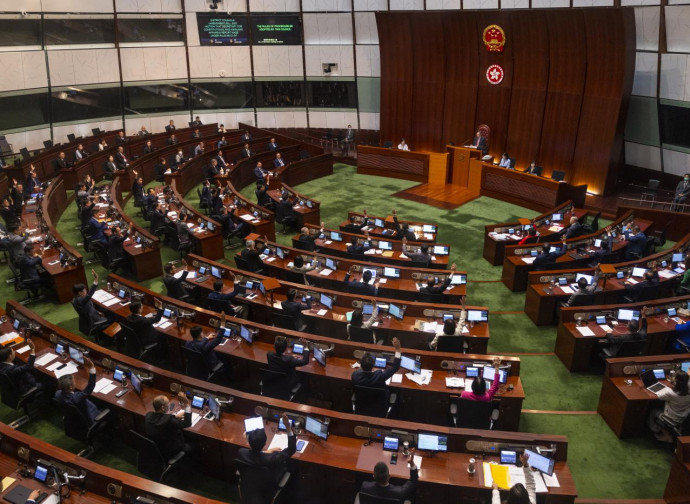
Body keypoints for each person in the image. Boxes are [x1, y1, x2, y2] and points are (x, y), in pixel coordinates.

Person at [235, 412, 296, 491]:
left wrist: (266, 452)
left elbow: (256, 456)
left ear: (248, 441)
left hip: (248, 486)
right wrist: (288, 426)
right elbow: (291, 449)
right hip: (267, 490)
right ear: (265, 442)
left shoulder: (241, 452)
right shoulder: (273, 458)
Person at [54, 356, 104, 425]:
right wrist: (92, 368)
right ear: (71, 387)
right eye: (74, 381)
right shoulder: (76, 398)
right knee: (109, 408)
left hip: (75, 419)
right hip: (91, 417)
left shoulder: (57, 393)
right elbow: (90, 386)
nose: (75, 382)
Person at [145, 392, 192, 459]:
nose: (169, 404)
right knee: (195, 444)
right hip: (172, 451)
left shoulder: (148, 415)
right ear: (163, 408)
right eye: (168, 403)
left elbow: (161, 420)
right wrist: (187, 405)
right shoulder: (170, 421)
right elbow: (187, 423)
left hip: (158, 447)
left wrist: (174, 416)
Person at [648, 371, 690, 442]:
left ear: (676, 381)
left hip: (671, 418)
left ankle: (655, 430)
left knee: (653, 411)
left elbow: (659, 396)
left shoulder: (671, 393)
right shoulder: (688, 393)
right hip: (683, 417)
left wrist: (665, 389)